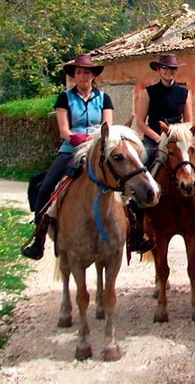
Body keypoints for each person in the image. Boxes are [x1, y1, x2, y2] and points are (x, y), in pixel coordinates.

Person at [22, 53, 121, 260]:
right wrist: (77, 140)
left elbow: (107, 127)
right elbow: (64, 130)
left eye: (86, 72)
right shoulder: (64, 98)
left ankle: (135, 233)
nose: (82, 76)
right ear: (74, 75)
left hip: (98, 149)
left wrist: (94, 142)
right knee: (46, 187)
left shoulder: (104, 99)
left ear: (93, 75)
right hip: (71, 149)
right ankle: (38, 239)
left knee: (126, 181)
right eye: (78, 72)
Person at [135, 53, 195, 239]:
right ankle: (138, 223)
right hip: (154, 137)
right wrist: (158, 138)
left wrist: (180, 137)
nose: (169, 71)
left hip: (179, 139)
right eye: (165, 68)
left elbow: (188, 121)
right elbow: (140, 122)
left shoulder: (183, 93)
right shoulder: (148, 92)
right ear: (158, 70)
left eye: (172, 69)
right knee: (140, 170)